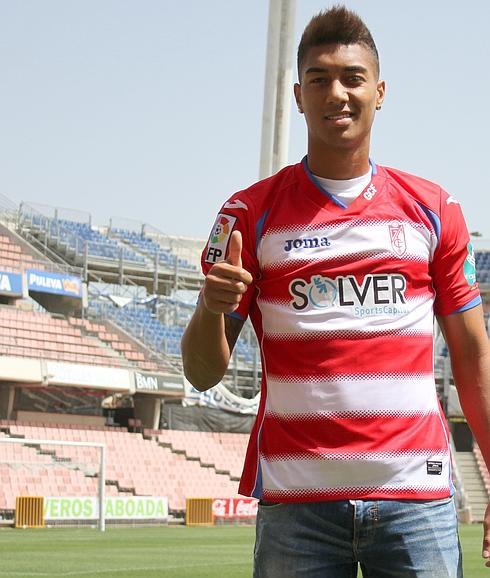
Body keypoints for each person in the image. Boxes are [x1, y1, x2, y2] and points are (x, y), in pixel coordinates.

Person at [181, 5, 490, 576]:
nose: (337, 94)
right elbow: (202, 373)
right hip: (298, 510)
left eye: (352, 78)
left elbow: (472, 357)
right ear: (298, 96)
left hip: (413, 501)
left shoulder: (434, 209)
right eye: (319, 80)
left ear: (380, 91)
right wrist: (210, 305)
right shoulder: (250, 214)